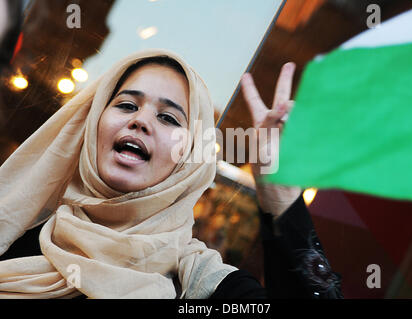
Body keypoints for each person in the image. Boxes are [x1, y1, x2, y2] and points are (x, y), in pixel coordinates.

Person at [0, 49, 342, 298]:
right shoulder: (16, 230)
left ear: (189, 157)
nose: (140, 120)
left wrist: (280, 195)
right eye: (126, 105)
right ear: (93, 127)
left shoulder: (200, 286)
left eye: (169, 118)